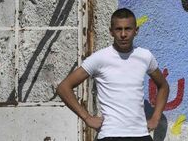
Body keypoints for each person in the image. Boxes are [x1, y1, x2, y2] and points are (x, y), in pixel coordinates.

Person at [57, 8, 170, 141]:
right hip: (110, 135)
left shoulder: (145, 56)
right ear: (111, 32)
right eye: (118, 29)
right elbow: (64, 88)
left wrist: (156, 117)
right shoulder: (100, 58)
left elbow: (163, 86)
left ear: (136, 31)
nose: (123, 34)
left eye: (128, 29)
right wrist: (87, 118)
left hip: (140, 135)